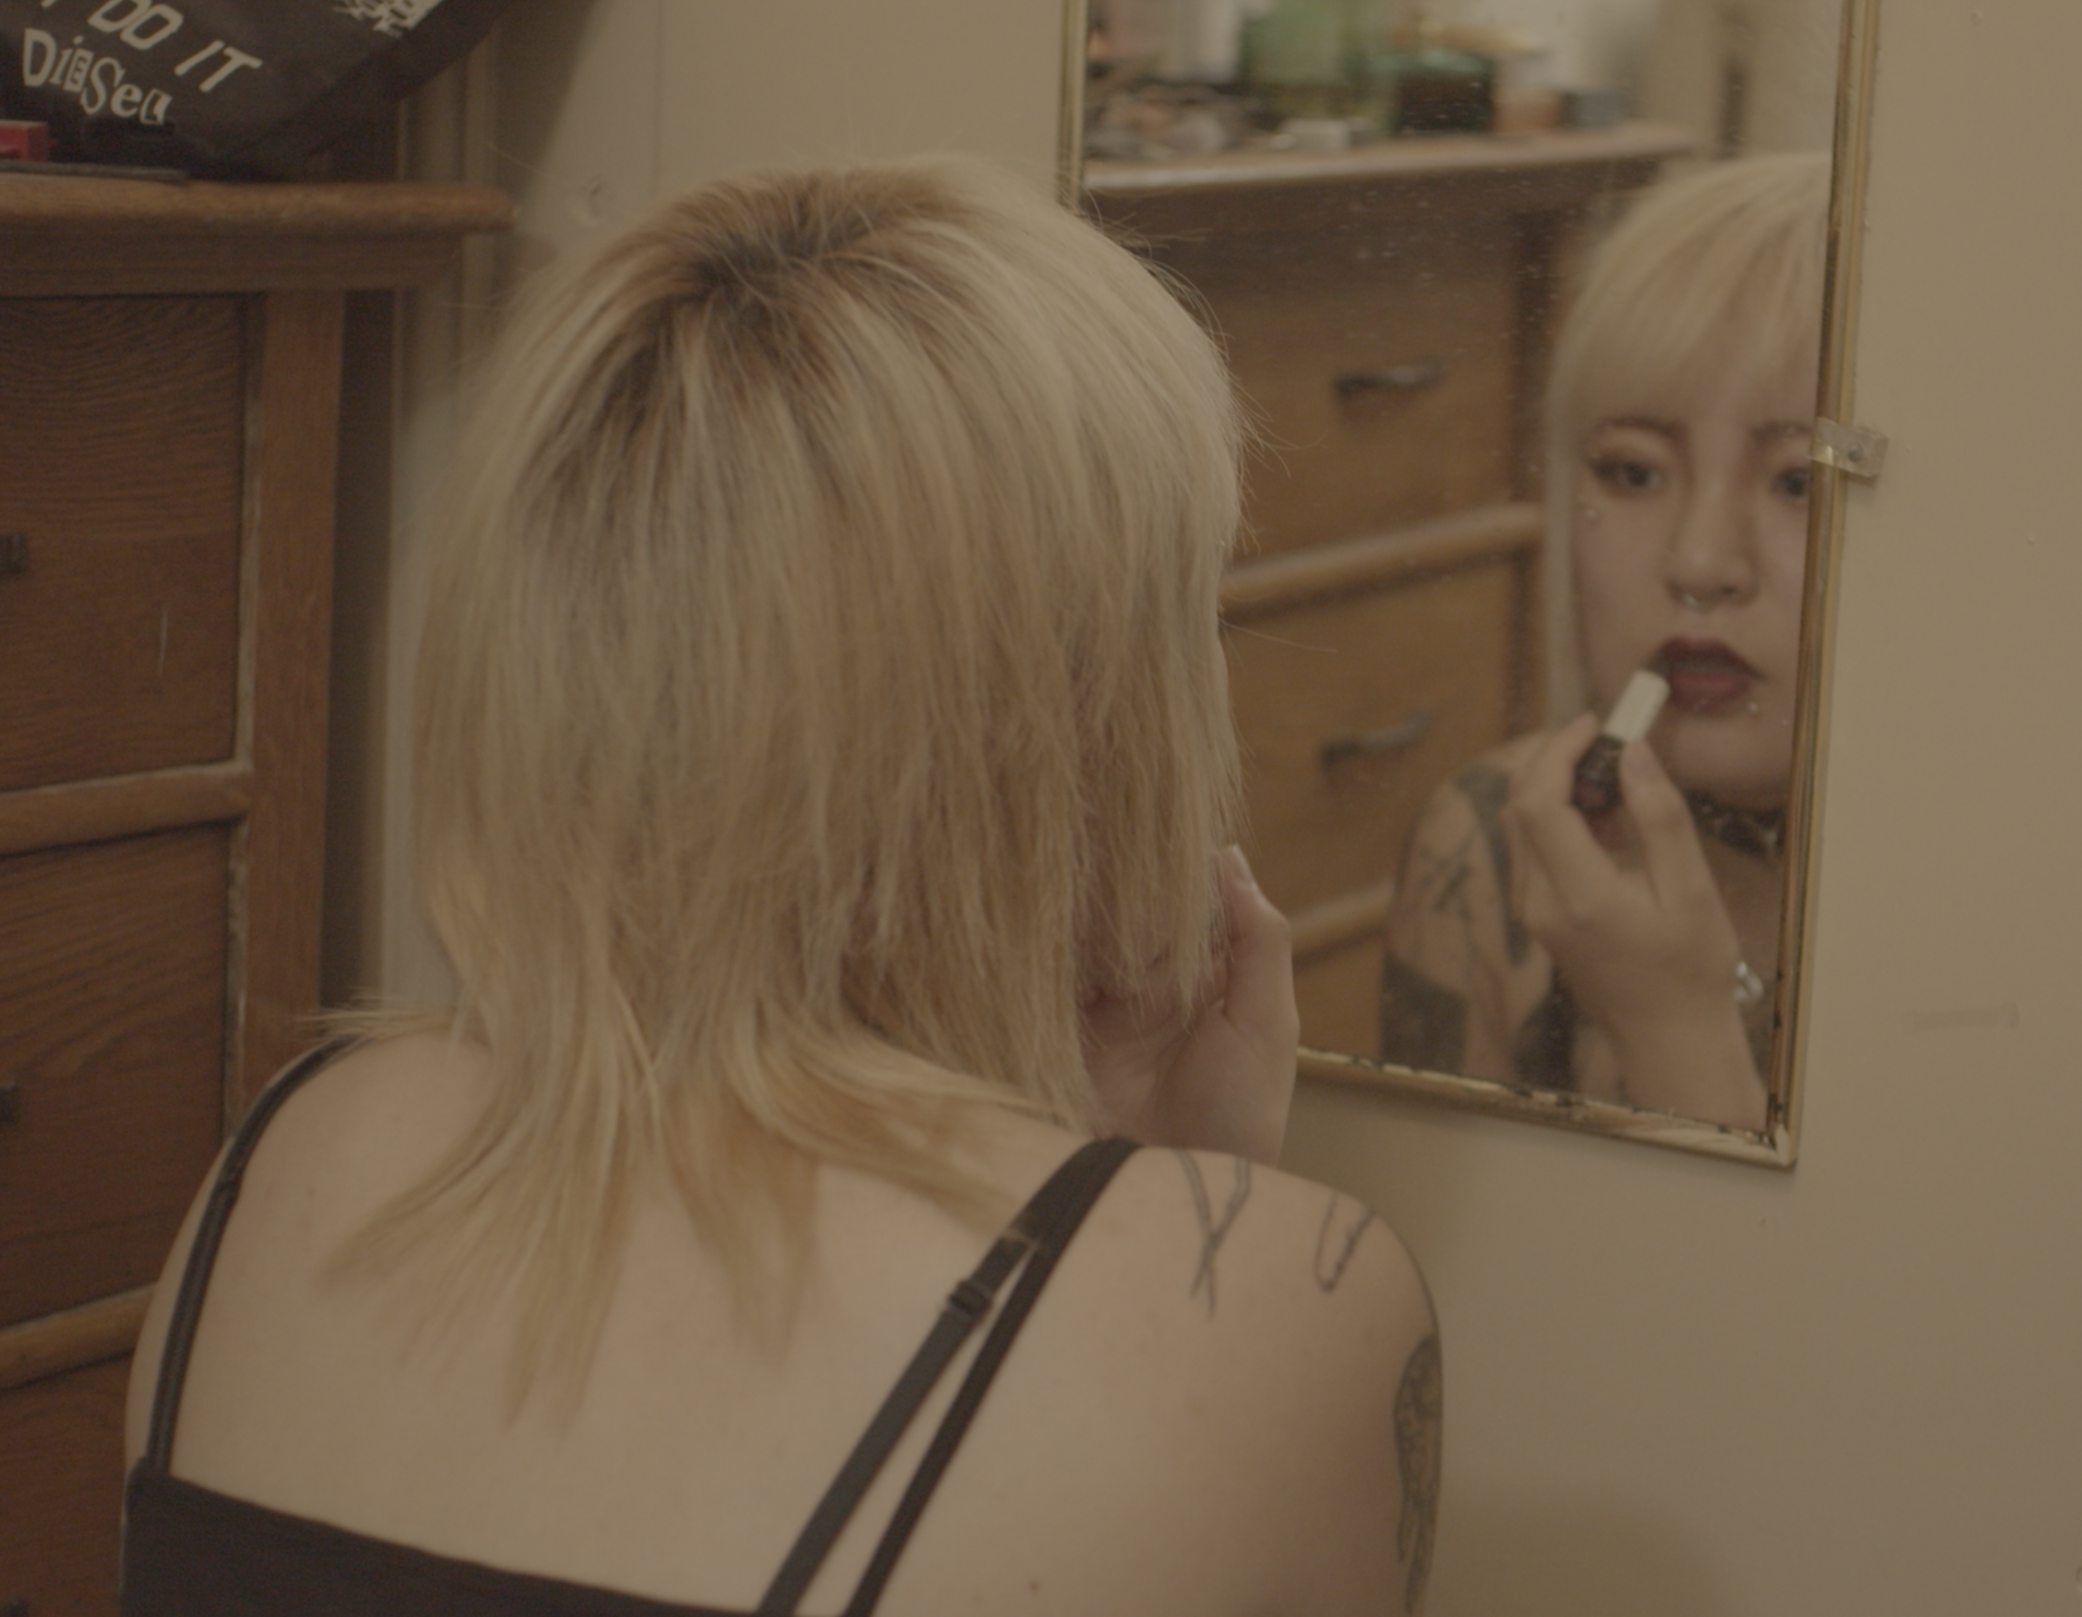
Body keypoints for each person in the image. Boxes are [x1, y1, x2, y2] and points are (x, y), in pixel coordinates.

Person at [121, 157, 1439, 1616]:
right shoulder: (1290, 1308)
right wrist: (1196, 1216)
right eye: (1192, 614)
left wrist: (1124, 1188)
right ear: (1076, 716)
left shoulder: (292, 1152)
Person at [1378, 153, 1829, 1132]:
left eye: (1798, 481)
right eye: (1634, 471)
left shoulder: (2016, 908)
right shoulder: (1491, 848)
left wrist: (1677, 1036)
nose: (1700, 562)